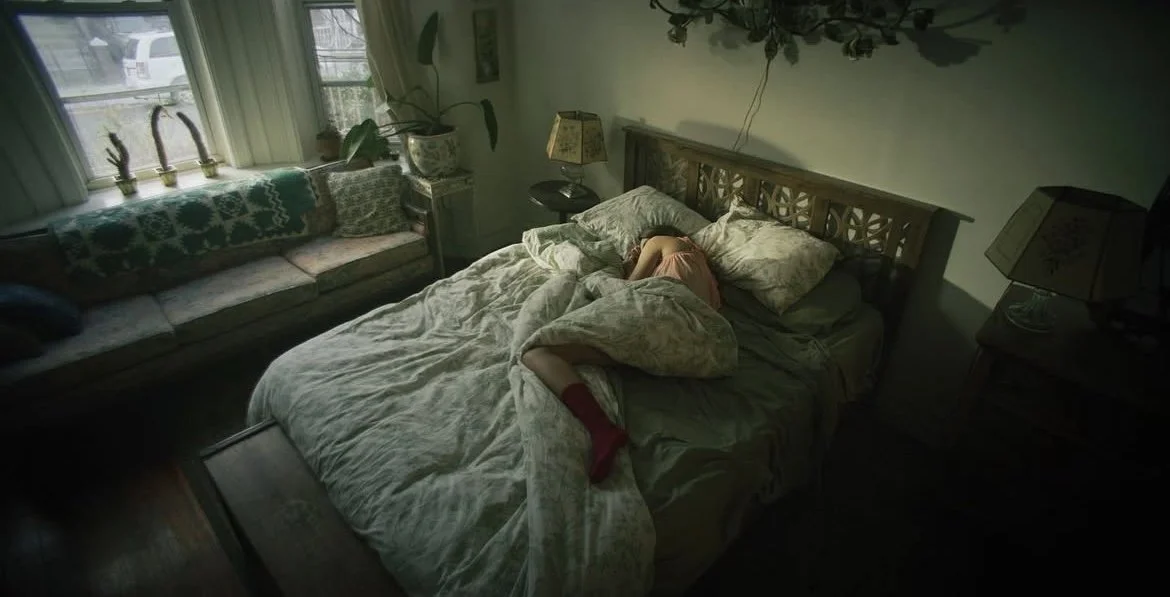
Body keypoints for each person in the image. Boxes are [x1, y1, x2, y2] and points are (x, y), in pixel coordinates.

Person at [521, 225, 721, 483]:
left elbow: (630, 285)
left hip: (664, 315)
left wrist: (627, 264)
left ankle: (602, 430)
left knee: (537, 351)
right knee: (584, 352)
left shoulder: (662, 240)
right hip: (697, 343)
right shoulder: (707, 276)